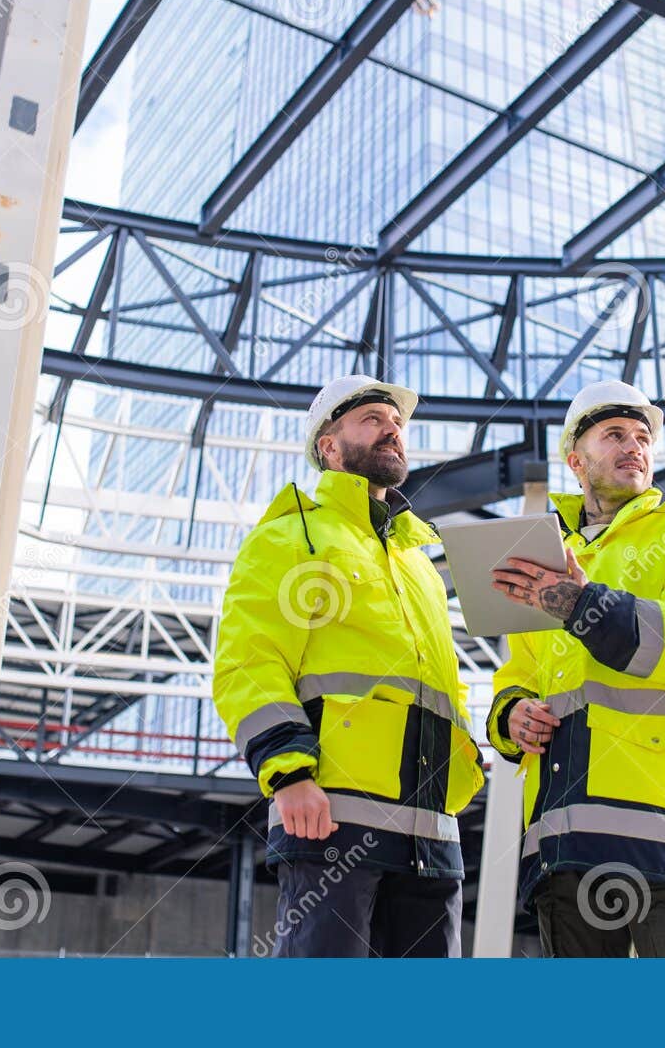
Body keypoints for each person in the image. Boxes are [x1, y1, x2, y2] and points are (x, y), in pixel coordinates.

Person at [214, 374, 482, 957]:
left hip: (431, 828)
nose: (392, 430)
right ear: (329, 448)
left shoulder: (418, 562)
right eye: (372, 420)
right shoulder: (293, 536)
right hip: (332, 816)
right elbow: (249, 660)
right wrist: (287, 773)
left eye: (397, 423)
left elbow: (441, 687)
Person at [487, 379, 665, 957]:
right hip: (564, 836)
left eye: (642, 437)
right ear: (577, 462)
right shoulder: (546, 557)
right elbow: (518, 674)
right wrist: (512, 719)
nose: (635, 446)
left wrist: (585, 606)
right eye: (615, 435)